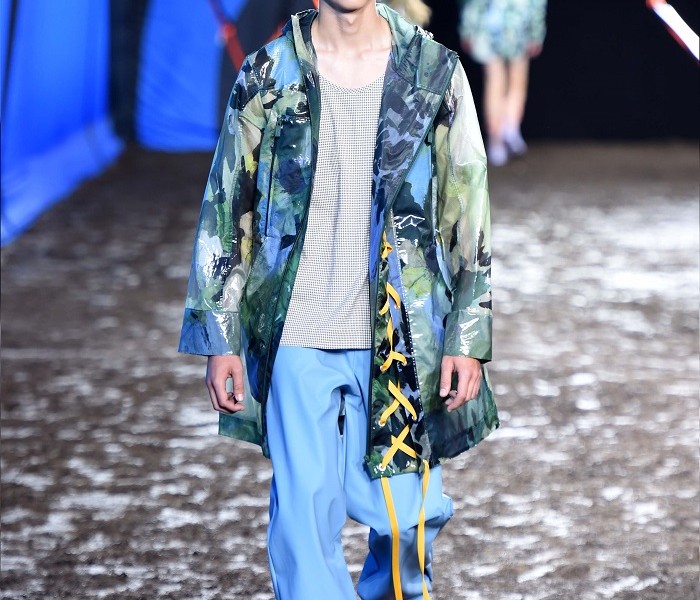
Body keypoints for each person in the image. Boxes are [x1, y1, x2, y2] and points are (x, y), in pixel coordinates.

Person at [178, 1, 498, 598]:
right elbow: (227, 202)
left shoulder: (433, 71)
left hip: (400, 336)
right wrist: (219, 335)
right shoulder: (268, 73)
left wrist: (467, 333)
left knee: (408, 524)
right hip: (295, 329)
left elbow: (468, 204)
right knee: (303, 528)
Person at [459, 0, 547, 166]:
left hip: (505, 23)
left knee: (503, 81)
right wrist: (536, 32)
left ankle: (505, 132)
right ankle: (502, 133)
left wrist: (467, 28)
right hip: (509, 23)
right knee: (508, 80)